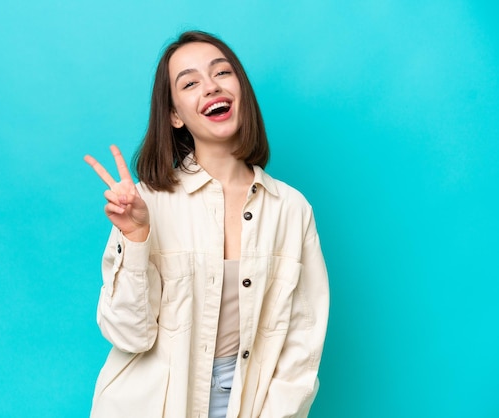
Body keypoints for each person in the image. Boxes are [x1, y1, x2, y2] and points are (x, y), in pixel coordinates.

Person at [84, 30, 329, 418]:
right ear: (175, 115)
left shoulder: (291, 209)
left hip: (247, 399)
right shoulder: (146, 204)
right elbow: (129, 335)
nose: (211, 87)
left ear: (241, 91)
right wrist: (135, 238)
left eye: (222, 73)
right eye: (190, 82)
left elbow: (303, 341)